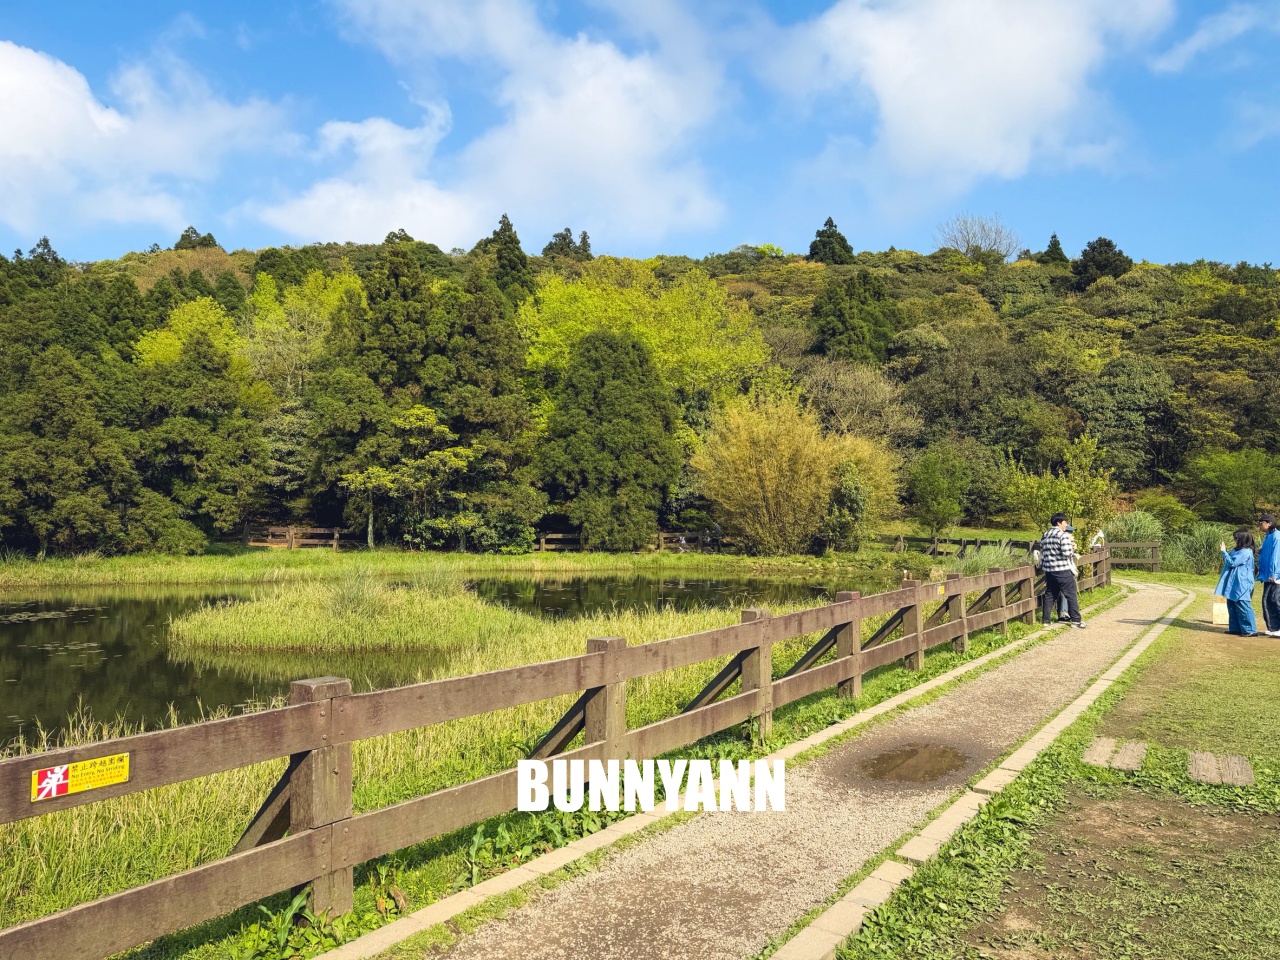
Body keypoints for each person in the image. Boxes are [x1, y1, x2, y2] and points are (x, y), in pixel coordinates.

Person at [1041, 513, 1084, 629]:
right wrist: (1072, 548)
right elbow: (1066, 552)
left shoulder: (1045, 535)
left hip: (1049, 570)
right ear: (1059, 523)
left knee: (1050, 594)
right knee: (1071, 594)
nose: (1066, 525)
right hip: (1062, 570)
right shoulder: (1062, 535)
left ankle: (1046, 620)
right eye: (1065, 522)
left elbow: (1043, 552)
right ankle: (1076, 620)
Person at [1218, 529, 1258, 637]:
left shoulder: (1246, 551)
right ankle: (1235, 628)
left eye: (1236, 538)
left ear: (1242, 539)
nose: (1235, 540)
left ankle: (1250, 630)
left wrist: (1223, 551)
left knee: (1243, 604)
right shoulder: (1236, 550)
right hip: (1233, 581)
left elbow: (1232, 563)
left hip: (1242, 583)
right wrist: (1226, 552)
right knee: (1231, 604)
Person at [1257, 514, 1280, 637]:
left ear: (1269, 523)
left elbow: (1276, 556)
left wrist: (1274, 573)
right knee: (1267, 600)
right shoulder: (1268, 536)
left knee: (1275, 599)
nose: (1260, 524)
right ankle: (1273, 628)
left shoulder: (1277, 536)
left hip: (1275, 575)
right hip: (1267, 575)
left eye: (1262, 522)